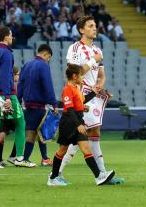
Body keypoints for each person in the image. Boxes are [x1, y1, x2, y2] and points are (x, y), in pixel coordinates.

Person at [62, 16, 115, 184]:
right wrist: (93, 60)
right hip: (80, 94)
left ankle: (102, 174)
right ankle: (101, 174)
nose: (94, 28)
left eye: (95, 25)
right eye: (90, 26)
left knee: (90, 133)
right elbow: (74, 74)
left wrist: (100, 86)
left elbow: (101, 75)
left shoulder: (98, 50)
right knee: (85, 134)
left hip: (92, 94)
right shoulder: (75, 48)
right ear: (81, 30)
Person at [45, 64, 109, 186]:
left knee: (86, 149)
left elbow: (82, 101)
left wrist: (94, 92)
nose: (83, 77)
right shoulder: (67, 89)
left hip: (77, 120)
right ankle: (53, 178)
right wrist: (79, 125)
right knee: (62, 150)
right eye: (81, 75)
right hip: (69, 123)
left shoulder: (76, 88)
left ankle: (99, 177)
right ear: (74, 76)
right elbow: (69, 110)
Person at [0, 26, 28, 167]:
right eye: (11, 35)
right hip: (5, 95)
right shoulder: (7, 53)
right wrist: (7, 97)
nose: (12, 37)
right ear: (6, 37)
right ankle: (19, 158)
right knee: (21, 123)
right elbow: (5, 75)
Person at [19, 44, 59, 166]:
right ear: (46, 54)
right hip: (39, 105)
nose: (48, 60)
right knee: (38, 131)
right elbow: (48, 85)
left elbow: (20, 84)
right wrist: (54, 103)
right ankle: (29, 159)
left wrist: (18, 100)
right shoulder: (43, 65)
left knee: (34, 131)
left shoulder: (26, 65)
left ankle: (41, 158)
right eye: (49, 57)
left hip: (27, 105)